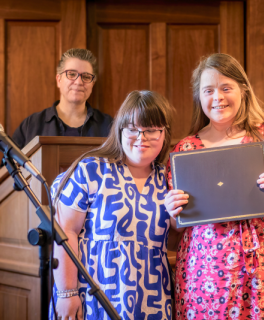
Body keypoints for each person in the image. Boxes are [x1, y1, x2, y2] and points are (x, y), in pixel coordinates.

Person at [164, 53, 264, 319]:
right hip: (207, 270)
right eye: (208, 90)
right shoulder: (185, 150)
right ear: (198, 97)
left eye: (226, 88)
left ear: (243, 90)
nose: (217, 97)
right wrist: (173, 211)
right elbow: (180, 225)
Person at [50, 90, 175, 320]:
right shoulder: (91, 170)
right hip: (93, 295)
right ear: (120, 130)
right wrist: (67, 293)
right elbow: (65, 232)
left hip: (152, 297)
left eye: (151, 130)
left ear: (165, 133)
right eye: (132, 129)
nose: (141, 137)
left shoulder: (168, 179)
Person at [11, 48, 112, 149]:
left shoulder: (110, 126)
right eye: (72, 74)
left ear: (92, 84)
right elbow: (7, 164)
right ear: (59, 80)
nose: (79, 82)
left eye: (86, 77)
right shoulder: (31, 125)